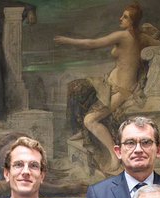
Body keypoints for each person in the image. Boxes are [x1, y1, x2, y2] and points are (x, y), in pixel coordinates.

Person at [54, 3, 150, 173]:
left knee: (90, 120)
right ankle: (82, 131)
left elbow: (92, 43)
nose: (121, 19)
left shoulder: (124, 36)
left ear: (133, 21)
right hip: (108, 82)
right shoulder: (141, 37)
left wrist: (67, 41)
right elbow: (159, 42)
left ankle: (115, 155)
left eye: (125, 17)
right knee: (77, 87)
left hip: (122, 90)